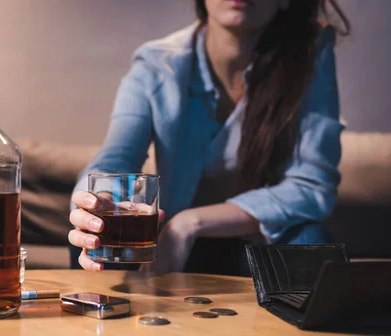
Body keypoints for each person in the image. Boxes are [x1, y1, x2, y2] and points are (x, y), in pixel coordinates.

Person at [68, 0, 350, 275]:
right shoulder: (158, 63)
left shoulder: (309, 55)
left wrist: (190, 222)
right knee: (96, 237)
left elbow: (312, 186)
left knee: (310, 241)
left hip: (253, 241)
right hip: (168, 248)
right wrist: (98, 203)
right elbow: (117, 157)